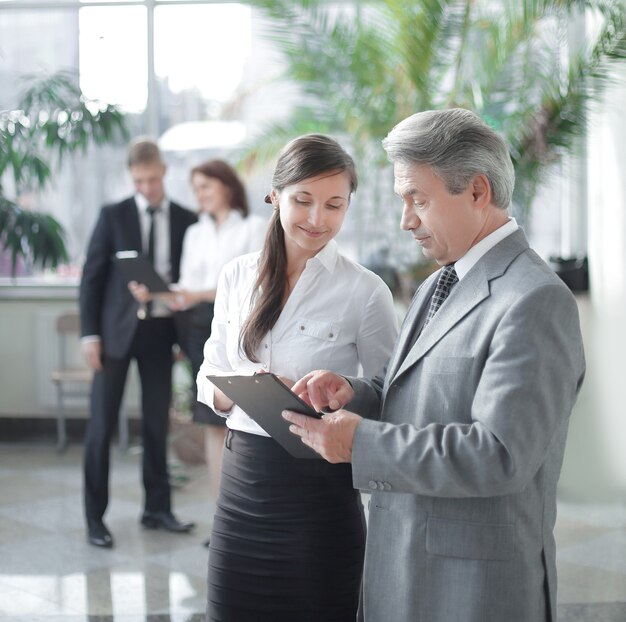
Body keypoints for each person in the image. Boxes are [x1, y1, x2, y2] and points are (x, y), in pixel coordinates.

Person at [285, 109, 586, 622]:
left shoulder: (535, 300)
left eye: (417, 200)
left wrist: (360, 442)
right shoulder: (439, 282)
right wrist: (352, 394)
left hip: (472, 590)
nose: (406, 220)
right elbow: (411, 391)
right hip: (402, 568)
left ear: (476, 192)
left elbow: (499, 453)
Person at [196, 134, 398, 621]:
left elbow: (392, 395)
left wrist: (340, 395)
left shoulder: (365, 292)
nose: (316, 219)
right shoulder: (237, 276)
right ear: (275, 196)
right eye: (303, 200)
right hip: (241, 489)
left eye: (334, 205)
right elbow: (209, 374)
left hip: (320, 498)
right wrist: (244, 392)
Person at [79, 137, 198, 549]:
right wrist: (89, 335)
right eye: (138, 181)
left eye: (151, 178)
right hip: (114, 334)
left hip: (162, 333)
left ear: (164, 171)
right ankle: (95, 518)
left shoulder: (187, 219)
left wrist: (187, 334)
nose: (146, 187)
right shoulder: (112, 215)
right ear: (132, 178)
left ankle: (157, 509)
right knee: (101, 424)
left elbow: (191, 279)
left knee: (154, 423)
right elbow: (91, 279)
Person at [169, 159, 267, 543]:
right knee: (211, 417)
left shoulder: (253, 228)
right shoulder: (194, 233)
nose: (200, 195)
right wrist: (168, 294)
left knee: (245, 415)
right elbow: (187, 284)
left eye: (206, 186)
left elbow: (252, 284)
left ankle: (250, 516)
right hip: (196, 325)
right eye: (196, 188)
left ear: (227, 186)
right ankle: (222, 518)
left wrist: (196, 292)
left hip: (241, 326)